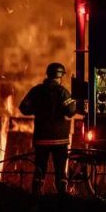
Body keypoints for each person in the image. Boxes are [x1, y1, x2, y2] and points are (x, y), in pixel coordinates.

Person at [19, 62, 76, 195]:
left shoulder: (36, 90)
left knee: (40, 168)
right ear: (60, 76)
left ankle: (36, 194)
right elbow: (70, 112)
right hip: (59, 139)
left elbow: (23, 107)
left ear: (48, 75)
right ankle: (62, 195)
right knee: (60, 170)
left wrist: (36, 110)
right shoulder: (63, 92)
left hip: (41, 137)